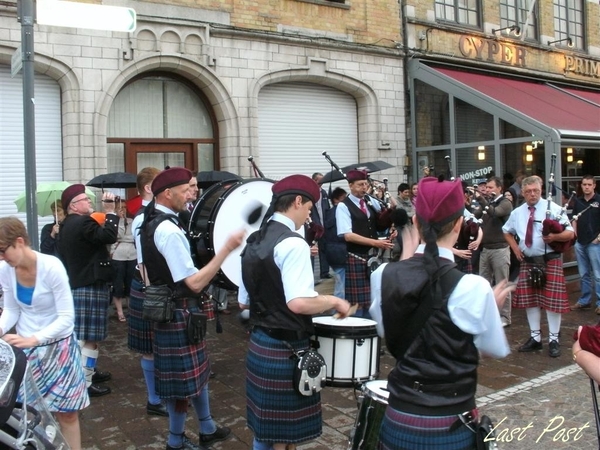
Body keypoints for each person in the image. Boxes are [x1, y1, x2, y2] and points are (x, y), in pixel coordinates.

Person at [369, 177, 513, 449]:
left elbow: (388, 332)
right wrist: (488, 312)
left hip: (399, 415)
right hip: (451, 421)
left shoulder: (382, 275)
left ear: (415, 223)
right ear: (459, 225)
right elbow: (492, 349)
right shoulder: (475, 288)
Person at [238, 174, 350, 450]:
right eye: (309, 210)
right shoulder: (293, 243)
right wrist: (334, 302)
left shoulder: (254, 239)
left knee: (270, 433)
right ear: (298, 201)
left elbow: (243, 301)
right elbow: (298, 303)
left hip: (261, 343)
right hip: (288, 347)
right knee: (283, 438)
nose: (309, 218)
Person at [139, 167, 244, 450]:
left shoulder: (154, 220)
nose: (192, 193)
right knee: (182, 386)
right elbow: (194, 283)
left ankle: (207, 427)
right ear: (167, 193)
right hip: (178, 311)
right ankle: (175, 440)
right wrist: (226, 249)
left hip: (177, 310)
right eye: (186, 189)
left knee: (197, 375)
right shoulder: (167, 230)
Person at [0, 217, 89, 449]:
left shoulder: (51, 266)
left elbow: (67, 318)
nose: (1, 257)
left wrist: (34, 338)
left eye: (2, 250)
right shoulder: (6, 269)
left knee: (67, 414)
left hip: (59, 350)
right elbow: (11, 309)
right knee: (28, 415)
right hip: (28, 352)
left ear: (19, 242)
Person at [503, 175, 574, 358]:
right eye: (528, 192)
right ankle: (535, 338)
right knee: (531, 302)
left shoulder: (554, 209)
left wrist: (554, 238)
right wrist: (516, 248)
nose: (532, 194)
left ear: (541, 190)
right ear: (523, 193)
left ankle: (553, 340)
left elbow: (570, 233)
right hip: (529, 261)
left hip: (550, 260)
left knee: (552, 304)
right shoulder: (518, 212)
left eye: (535, 190)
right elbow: (506, 231)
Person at [57, 184, 118, 397]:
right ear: (74, 205)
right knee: (89, 338)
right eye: (85, 199)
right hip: (90, 284)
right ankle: (85, 381)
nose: (90, 202)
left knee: (84, 335)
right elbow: (109, 236)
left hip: (79, 283)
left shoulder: (65, 225)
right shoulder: (83, 222)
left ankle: (88, 371)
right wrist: (110, 212)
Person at [128, 166, 167, 417]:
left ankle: (160, 394)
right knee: (150, 348)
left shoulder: (159, 214)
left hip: (155, 286)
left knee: (159, 346)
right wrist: (152, 292)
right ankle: (154, 399)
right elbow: (143, 262)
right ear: (149, 188)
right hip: (149, 286)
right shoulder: (144, 217)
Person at [336, 169, 394, 317]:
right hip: (356, 258)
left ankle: (372, 332)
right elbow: (348, 235)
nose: (364, 188)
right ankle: (358, 334)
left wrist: (390, 222)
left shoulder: (369, 201)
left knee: (373, 299)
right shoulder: (343, 206)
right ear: (350, 185)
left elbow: (380, 223)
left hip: (372, 258)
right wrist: (375, 243)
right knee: (357, 303)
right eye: (360, 184)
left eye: (365, 184)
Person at [474, 176, 513, 326]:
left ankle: (505, 317)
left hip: (500, 249)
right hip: (486, 249)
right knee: (484, 285)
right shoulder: (488, 202)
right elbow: (475, 215)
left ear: (499, 188)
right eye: (487, 188)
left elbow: (494, 213)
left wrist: (482, 200)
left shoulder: (506, 203)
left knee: (502, 284)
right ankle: (487, 315)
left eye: (490, 188)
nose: (487, 190)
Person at [570, 175, 600, 313]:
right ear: (581, 186)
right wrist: (575, 235)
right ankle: (585, 300)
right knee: (583, 274)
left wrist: (598, 238)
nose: (586, 187)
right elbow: (574, 219)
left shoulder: (599, 200)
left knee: (598, 275)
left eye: (589, 184)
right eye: (584, 184)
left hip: (595, 243)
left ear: (594, 185)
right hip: (580, 242)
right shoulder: (578, 201)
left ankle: (599, 302)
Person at [111, 200, 136, 323]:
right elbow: (118, 236)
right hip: (118, 256)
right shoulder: (113, 221)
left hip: (132, 255)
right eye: (120, 207)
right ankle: (120, 312)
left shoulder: (132, 221)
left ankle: (131, 310)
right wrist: (120, 220)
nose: (123, 210)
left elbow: (133, 236)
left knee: (130, 283)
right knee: (118, 284)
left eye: (125, 207)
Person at [323, 187, 347, 299]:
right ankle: (339, 311)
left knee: (340, 282)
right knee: (341, 284)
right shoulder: (342, 212)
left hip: (331, 251)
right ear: (336, 199)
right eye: (344, 198)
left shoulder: (328, 213)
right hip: (341, 252)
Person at [311, 172, 331, 280]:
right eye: (320, 180)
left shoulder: (324, 193)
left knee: (324, 249)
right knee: (312, 250)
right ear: (314, 180)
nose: (322, 182)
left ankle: (325, 272)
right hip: (313, 226)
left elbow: (327, 208)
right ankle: (311, 274)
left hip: (323, 225)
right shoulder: (310, 193)